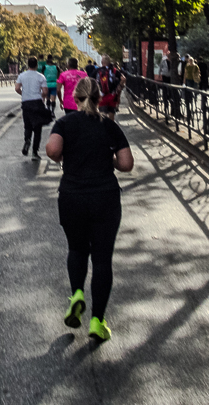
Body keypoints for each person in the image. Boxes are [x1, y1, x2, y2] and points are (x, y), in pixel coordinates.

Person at [45, 76, 135, 342]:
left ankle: (77, 295)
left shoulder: (64, 123)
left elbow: (51, 149)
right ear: (99, 98)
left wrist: (64, 158)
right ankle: (97, 321)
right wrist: (109, 160)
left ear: (75, 97)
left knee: (76, 249)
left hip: (72, 196)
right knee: (102, 258)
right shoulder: (109, 126)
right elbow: (127, 163)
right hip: (105, 198)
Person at [15, 56, 50, 160]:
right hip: (37, 103)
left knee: (28, 125)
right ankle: (35, 152)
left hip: (26, 103)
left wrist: (23, 94)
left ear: (28, 64)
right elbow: (45, 91)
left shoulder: (22, 75)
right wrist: (42, 97)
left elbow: (17, 88)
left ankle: (27, 140)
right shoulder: (41, 76)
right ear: (36, 65)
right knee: (38, 128)